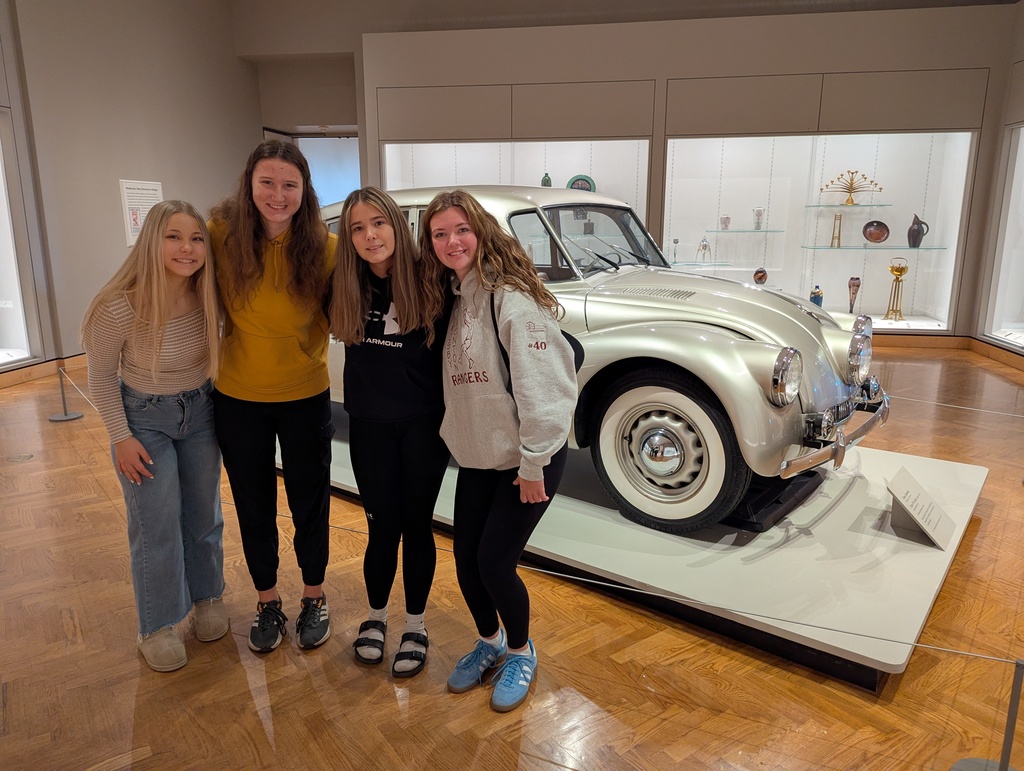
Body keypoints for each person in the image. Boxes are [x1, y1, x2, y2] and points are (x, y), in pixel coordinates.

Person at [419, 190, 577, 712]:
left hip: (527, 462)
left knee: (493, 564)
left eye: (460, 229)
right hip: (479, 459)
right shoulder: (453, 296)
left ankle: (519, 649)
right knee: (466, 563)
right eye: (439, 234)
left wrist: (534, 463)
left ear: (481, 232)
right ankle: (488, 643)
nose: (451, 241)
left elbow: (545, 389)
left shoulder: (510, 297)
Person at [82, 200, 226, 673]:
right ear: (151, 242)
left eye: (196, 238)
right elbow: (101, 378)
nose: (187, 248)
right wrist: (120, 437)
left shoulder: (207, 292)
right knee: (156, 524)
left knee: (204, 515)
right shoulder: (117, 306)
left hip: (200, 411)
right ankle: (158, 624)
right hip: (143, 420)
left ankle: (207, 598)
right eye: (174, 237)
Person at [208, 140, 337, 653]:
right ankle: (267, 600)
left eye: (289, 185)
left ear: (304, 191)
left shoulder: (325, 247)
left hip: (305, 393)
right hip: (238, 396)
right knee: (253, 504)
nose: (278, 195)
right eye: (268, 182)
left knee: (311, 501)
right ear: (249, 184)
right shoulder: (220, 236)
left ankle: (314, 596)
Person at [329, 187, 451, 677]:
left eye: (377, 223)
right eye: (357, 228)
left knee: (417, 525)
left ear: (396, 225)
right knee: (381, 526)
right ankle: (376, 617)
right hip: (370, 426)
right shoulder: (342, 286)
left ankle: (416, 625)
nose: (369, 236)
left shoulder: (433, 280)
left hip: (424, 426)